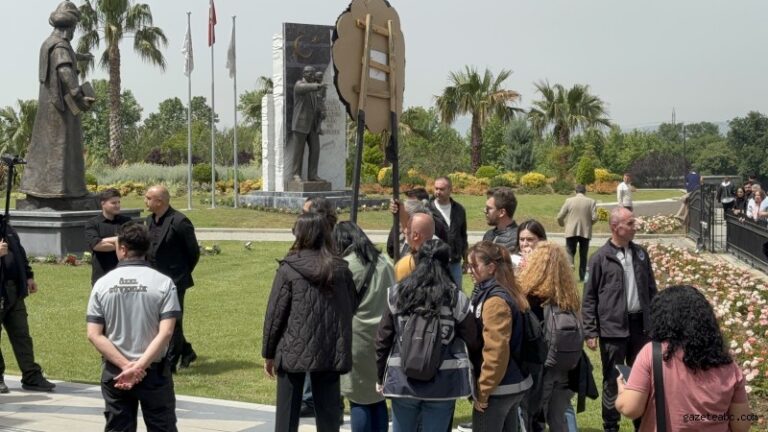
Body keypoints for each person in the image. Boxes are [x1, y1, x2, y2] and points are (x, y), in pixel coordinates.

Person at [262, 212, 358, 432]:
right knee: (329, 416)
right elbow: (351, 304)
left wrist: (268, 353)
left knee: (286, 417)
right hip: (330, 347)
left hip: (292, 347)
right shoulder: (341, 268)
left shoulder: (289, 268)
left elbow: (275, 314)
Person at [615, 286, 753, 432]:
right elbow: (742, 425)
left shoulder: (652, 353)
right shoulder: (729, 366)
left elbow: (630, 409)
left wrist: (622, 390)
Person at [375, 239, 478, 432]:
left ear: (417, 260)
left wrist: (380, 376)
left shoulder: (397, 294)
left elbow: (383, 338)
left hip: (402, 380)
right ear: (447, 263)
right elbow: (473, 340)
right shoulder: (456, 298)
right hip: (443, 384)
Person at [86, 222, 180, 431]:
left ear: (122, 249)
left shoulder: (102, 284)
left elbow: (94, 334)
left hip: (115, 371)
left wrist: (126, 366)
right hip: (154, 372)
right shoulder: (164, 283)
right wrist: (139, 367)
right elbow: (166, 332)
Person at [582, 207, 658, 432]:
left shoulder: (641, 254)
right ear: (616, 227)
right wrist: (590, 331)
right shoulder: (599, 258)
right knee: (613, 378)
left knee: (643, 379)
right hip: (613, 329)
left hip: (641, 329)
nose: (636, 227)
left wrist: (656, 322)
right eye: (631, 223)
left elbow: (652, 290)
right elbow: (589, 297)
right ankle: (610, 426)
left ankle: (641, 424)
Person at [21, 1, 95, 199]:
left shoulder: (50, 43)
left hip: (50, 107)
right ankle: (61, 191)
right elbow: (64, 69)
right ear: (70, 27)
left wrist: (82, 56)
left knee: (48, 145)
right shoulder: (60, 45)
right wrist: (78, 95)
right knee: (61, 145)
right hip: (60, 107)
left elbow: (67, 56)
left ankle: (43, 189)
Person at [334, 222, 394, 432]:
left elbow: (338, 305)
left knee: (358, 399)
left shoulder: (347, 265)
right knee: (377, 397)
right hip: (385, 336)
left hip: (357, 337)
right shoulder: (385, 261)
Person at [466, 241, 532, 432]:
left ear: (491, 267)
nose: (470, 271)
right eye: (468, 266)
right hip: (511, 385)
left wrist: (483, 390)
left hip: (499, 388)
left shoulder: (495, 301)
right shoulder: (504, 292)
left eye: (474, 266)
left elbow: (496, 350)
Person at [518, 242, 582, 432]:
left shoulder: (531, 295)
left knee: (532, 417)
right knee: (558, 417)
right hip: (566, 366)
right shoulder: (569, 295)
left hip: (540, 366)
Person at [144, 185, 200, 372]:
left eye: (148, 198)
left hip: (175, 281)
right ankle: (187, 351)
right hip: (153, 280)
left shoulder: (179, 221)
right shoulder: (149, 220)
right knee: (157, 320)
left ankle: (170, 364)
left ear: (159, 201)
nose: (145, 201)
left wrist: (181, 273)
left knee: (173, 321)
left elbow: (193, 252)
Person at [0, 223, 56, 393]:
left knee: (22, 334)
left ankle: (31, 376)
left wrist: (29, 276)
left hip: (14, 290)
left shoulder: (5, 227)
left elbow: (19, 253)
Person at [85, 188, 132, 285]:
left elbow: (132, 243)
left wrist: (105, 241)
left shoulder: (127, 222)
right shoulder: (93, 223)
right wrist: (120, 242)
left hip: (124, 274)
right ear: (103, 203)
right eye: (113, 203)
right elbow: (96, 246)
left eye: (119, 202)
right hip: (101, 275)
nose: (117, 205)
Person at [289, 65, 327, 182]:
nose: (312, 75)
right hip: (300, 124)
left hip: (312, 125)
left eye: (313, 73)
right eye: (310, 73)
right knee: (298, 151)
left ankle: (313, 175)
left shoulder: (314, 91)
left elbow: (316, 104)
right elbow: (304, 87)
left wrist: (321, 112)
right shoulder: (299, 85)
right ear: (304, 74)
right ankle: (296, 174)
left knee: (315, 150)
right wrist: (318, 86)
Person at [429, 176, 468, 288]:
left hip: (455, 263)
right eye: (436, 188)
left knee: (456, 297)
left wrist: (466, 259)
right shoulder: (427, 210)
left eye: (441, 189)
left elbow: (463, 236)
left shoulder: (459, 210)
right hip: (435, 264)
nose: (438, 192)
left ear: (450, 189)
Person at [388, 188, 448, 259]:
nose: (406, 231)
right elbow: (391, 248)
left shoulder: (436, 228)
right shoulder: (400, 225)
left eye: (411, 202)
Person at [556, 184, 597, 282]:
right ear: (585, 191)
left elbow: (559, 216)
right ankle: (582, 277)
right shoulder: (591, 202)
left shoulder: (569, 201)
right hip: (585, 231)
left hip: (571, 230)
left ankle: (570, 275)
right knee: (583, 255)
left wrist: (562, 224)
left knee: (570, 252)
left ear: (575, 191)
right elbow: (595, 218)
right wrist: (589, 224)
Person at [394, 212, 435, 282]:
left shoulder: (405, 264)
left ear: (416, 236)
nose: (405, 231)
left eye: (408, 228)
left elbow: (397, 291)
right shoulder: (442, 260)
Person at [482, 187, 519, 253]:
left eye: (488, 208)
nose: (484, 211)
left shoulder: (519, 239)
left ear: (502, 212)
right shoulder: (488, 235)